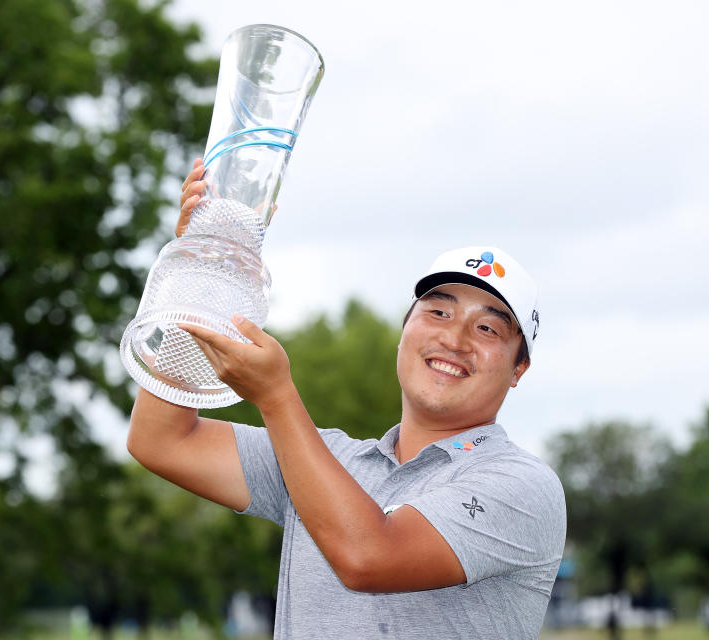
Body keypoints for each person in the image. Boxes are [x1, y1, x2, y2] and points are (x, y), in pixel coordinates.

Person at [126, 159, 566, 639]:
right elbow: (161, 439)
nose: (455, 338)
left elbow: (369, 556)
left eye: (487, 328)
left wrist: (276, 397)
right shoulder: (328, 459)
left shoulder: (523, 485)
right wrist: (201, 273)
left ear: (518, 368)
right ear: (405, 333)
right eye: (438, 311)